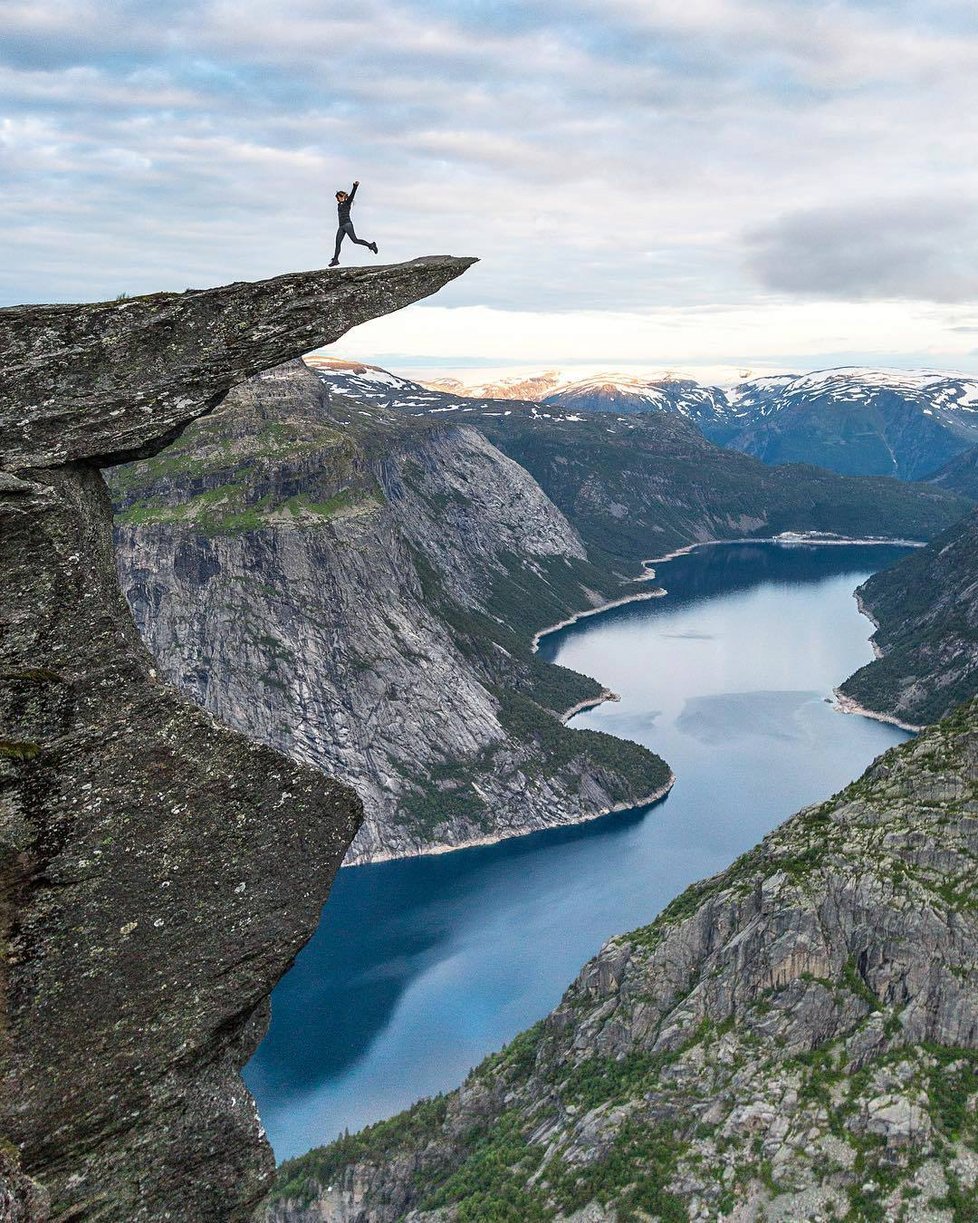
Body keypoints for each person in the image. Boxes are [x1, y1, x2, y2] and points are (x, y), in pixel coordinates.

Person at [329, 181, 379, 266]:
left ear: (343, 197)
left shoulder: (347, 202)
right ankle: (335, 260)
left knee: (355, 240)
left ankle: (371, 245)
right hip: (341, 226)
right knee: (337, 243)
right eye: (337, 198)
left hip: (347, 224)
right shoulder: (339, 205)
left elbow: (352, 195)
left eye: (339, 197)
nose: (338, 199)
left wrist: (355, 186)